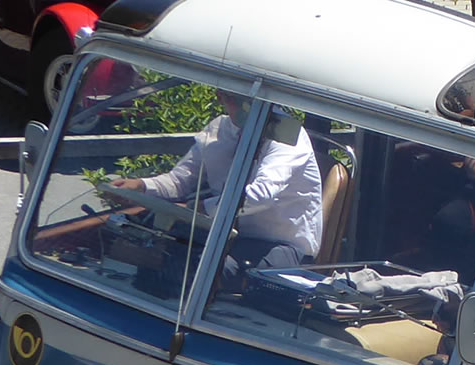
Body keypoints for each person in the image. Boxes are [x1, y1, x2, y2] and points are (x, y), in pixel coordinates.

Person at [109, 91, 324, 270]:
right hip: (223, 238)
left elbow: (260, 196)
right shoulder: (217, 130)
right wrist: (141, 186)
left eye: (243, 97)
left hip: (281, 248)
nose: (235, 103)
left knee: (208, 270)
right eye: (228, 96)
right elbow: (179, 181)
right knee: (149, 251)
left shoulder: (288, 138)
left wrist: (201, 207)